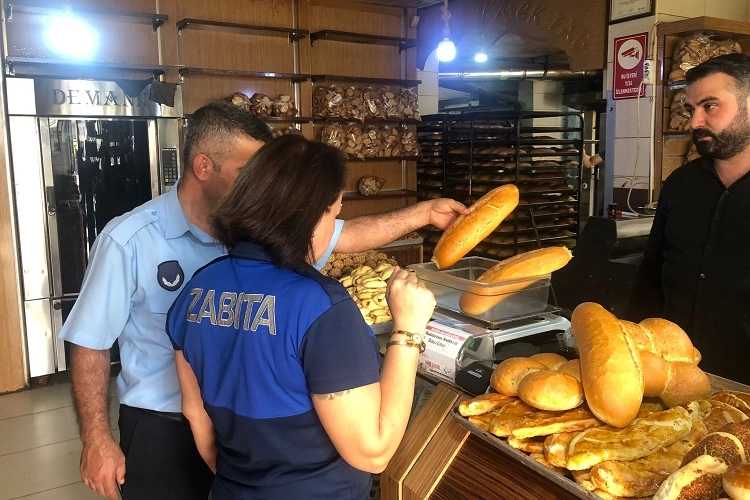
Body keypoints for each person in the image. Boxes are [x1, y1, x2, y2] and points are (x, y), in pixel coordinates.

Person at [59, 101, 469, 500]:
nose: (258, 181)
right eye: (249, 171)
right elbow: (89, 341)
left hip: (231, 445)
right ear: (204, 167)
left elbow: (348, 234)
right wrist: (408, 331)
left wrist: (423, 214)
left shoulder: (207, 281)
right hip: (162, 427)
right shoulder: (129, 240)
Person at [167, 134, 435, 499]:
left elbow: (196, 414)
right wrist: (408, 330)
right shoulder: (322, 307)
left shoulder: (197, 288)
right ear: (314, 214)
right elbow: (373, 453)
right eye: (334, 213)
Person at [635, 53, 750, 384]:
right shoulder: (680, 185)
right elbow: (651, 275)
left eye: (710, 106)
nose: (695, 121)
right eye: (691, 109)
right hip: (672, 379)